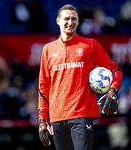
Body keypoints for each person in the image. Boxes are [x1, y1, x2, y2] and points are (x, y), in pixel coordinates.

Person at [38, 4, 123, 150]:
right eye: (66, 19)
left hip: (82, 115)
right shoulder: (48, 50)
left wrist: (113, 91)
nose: (70, 22)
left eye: (73, 19)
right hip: (57, 118)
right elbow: (43, 87)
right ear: (58, 20)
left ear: (78, 22)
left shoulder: (90, 45)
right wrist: (42, 121)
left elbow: (116, 70)